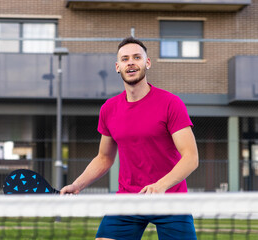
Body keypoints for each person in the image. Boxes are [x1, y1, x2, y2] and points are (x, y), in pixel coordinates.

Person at [60, 36, 199, 240]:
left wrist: (160, 186)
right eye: (125, 59)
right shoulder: (109, 109)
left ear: (147, 63)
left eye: (137, 57)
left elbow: (191, 157)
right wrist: (77, 185)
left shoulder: (171, 103)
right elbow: (104, 158)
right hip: (128, 199)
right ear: (118, 67)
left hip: (171, 199)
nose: (131, 62)